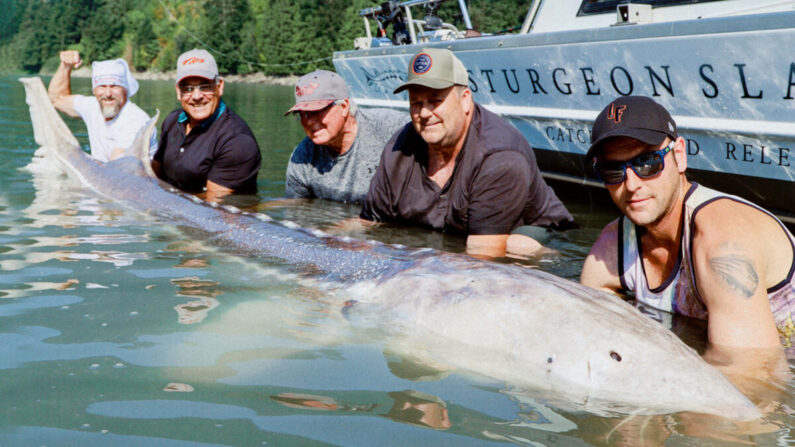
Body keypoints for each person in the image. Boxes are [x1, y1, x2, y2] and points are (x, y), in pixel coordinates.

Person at [580, 95, 795, 377]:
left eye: (647, 162)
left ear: (679, 155)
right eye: (612, 171)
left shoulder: (723, 240)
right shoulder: (610, 250)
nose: (631, 185)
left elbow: (752, 379)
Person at [360, 48, 574, 257]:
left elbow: (482, 256)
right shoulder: (398, 147)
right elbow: (369, 223)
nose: (424, 113)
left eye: (435, 100)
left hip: (530, 233)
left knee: (518, 247)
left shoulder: (499, 155)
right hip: (453, 236)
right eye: (416, 102)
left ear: (465, 99)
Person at [152, 49, 261, 201]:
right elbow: (153, 176)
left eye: (205, 87)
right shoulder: (171, 121)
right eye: (188, 88)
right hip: (171, 209)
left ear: (219, 86)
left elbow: (213, 208)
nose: (197, 96)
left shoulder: (237, 141)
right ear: (178, 92)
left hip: (217, 219)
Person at [284, 70, 407, 204]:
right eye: (302, 114)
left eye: (316, 111)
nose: (309, 121)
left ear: (344, 107)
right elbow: (297, 211)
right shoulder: (301, 157)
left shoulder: (393, 128)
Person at [47, 50, 157, 162]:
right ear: (94, 90)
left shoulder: (136, 120)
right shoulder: (92, 107)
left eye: (114, 86)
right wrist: (65, 66)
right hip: (104, 174)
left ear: (125, 90)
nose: (108, 94)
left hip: (129, 177)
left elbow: (118, 166)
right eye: (102, 86)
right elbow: (57, 99)